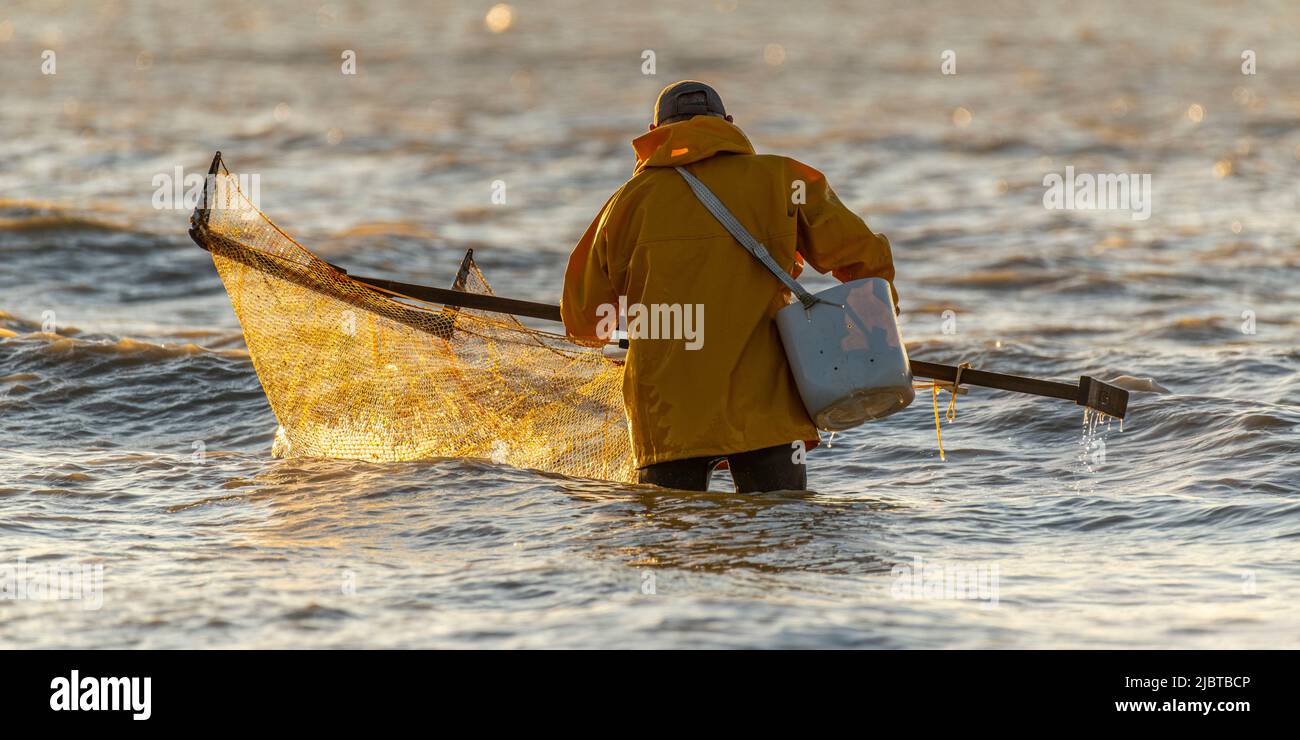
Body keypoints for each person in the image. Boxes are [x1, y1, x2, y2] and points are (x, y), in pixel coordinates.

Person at [561, 80, 897, 492]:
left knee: (672, 544)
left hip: (666, 416)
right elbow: (866, 261)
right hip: (768, 410)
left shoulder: (626, 204)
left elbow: (584, 323)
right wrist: (872, 335)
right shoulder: (784, 178)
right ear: (730, 124)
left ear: (654, 132)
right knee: (778, 534)